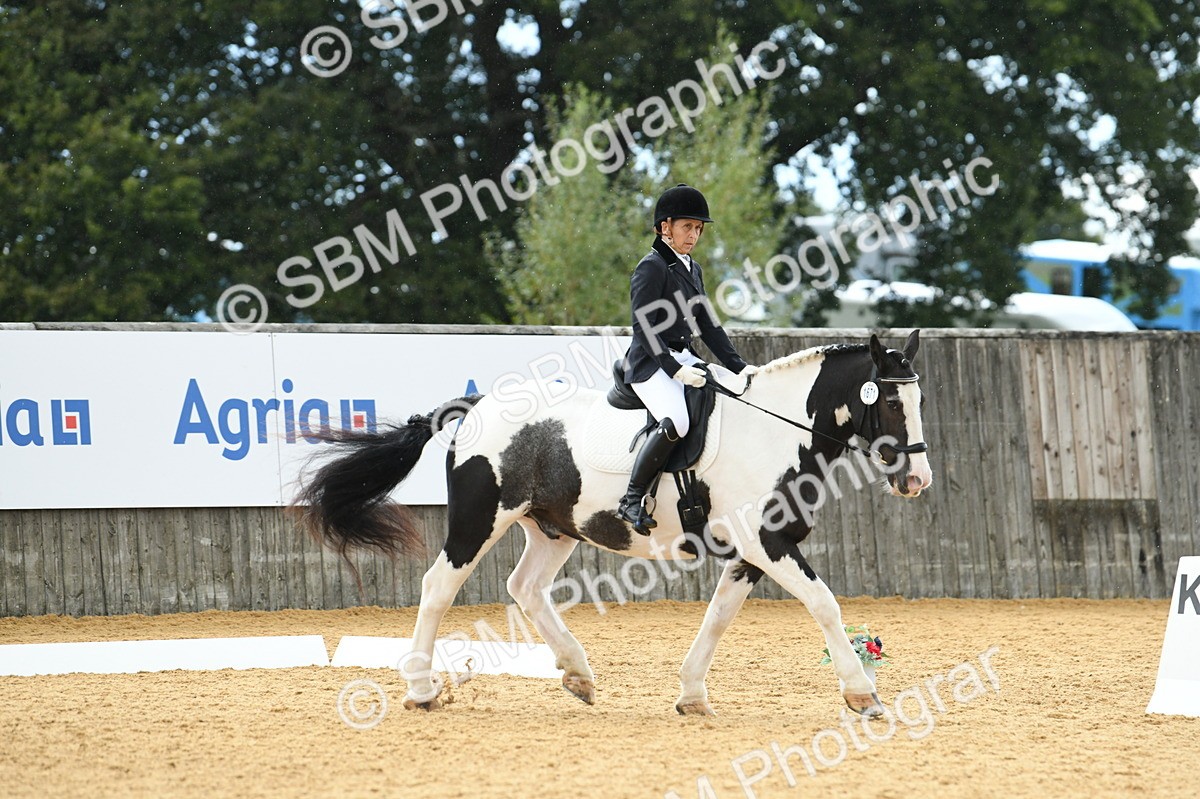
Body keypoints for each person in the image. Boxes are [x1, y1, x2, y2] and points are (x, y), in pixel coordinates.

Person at [616, 183, 758, 534]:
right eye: (687, 227)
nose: (693, 235)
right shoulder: (652, 267)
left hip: (684, 358)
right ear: (665, 227)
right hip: (651, 364)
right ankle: (632, 499)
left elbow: (708, 326)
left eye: (698, 229)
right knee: (677, 420)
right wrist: (674, 369)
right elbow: (644, 327)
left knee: (727, 397)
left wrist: (739, 367)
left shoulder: (692, 268)